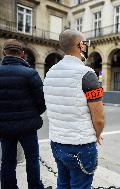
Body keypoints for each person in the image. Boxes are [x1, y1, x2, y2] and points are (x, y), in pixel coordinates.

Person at [43, 29, 105, 189]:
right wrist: (96, 135)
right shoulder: (87, 74)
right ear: (80, 45)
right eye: (85, 43)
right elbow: (98, 119)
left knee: (63, 184)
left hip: (57, 142)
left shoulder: (50, 73)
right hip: (80, 144)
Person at [0, 39, 47, 189]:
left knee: (7, 160)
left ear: (3, 53)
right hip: (28, 127)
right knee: (32, 159)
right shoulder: (30, 73)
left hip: (4, 127)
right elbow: (41, 103)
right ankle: (35, 186)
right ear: (22, 54)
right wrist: (32, 114)